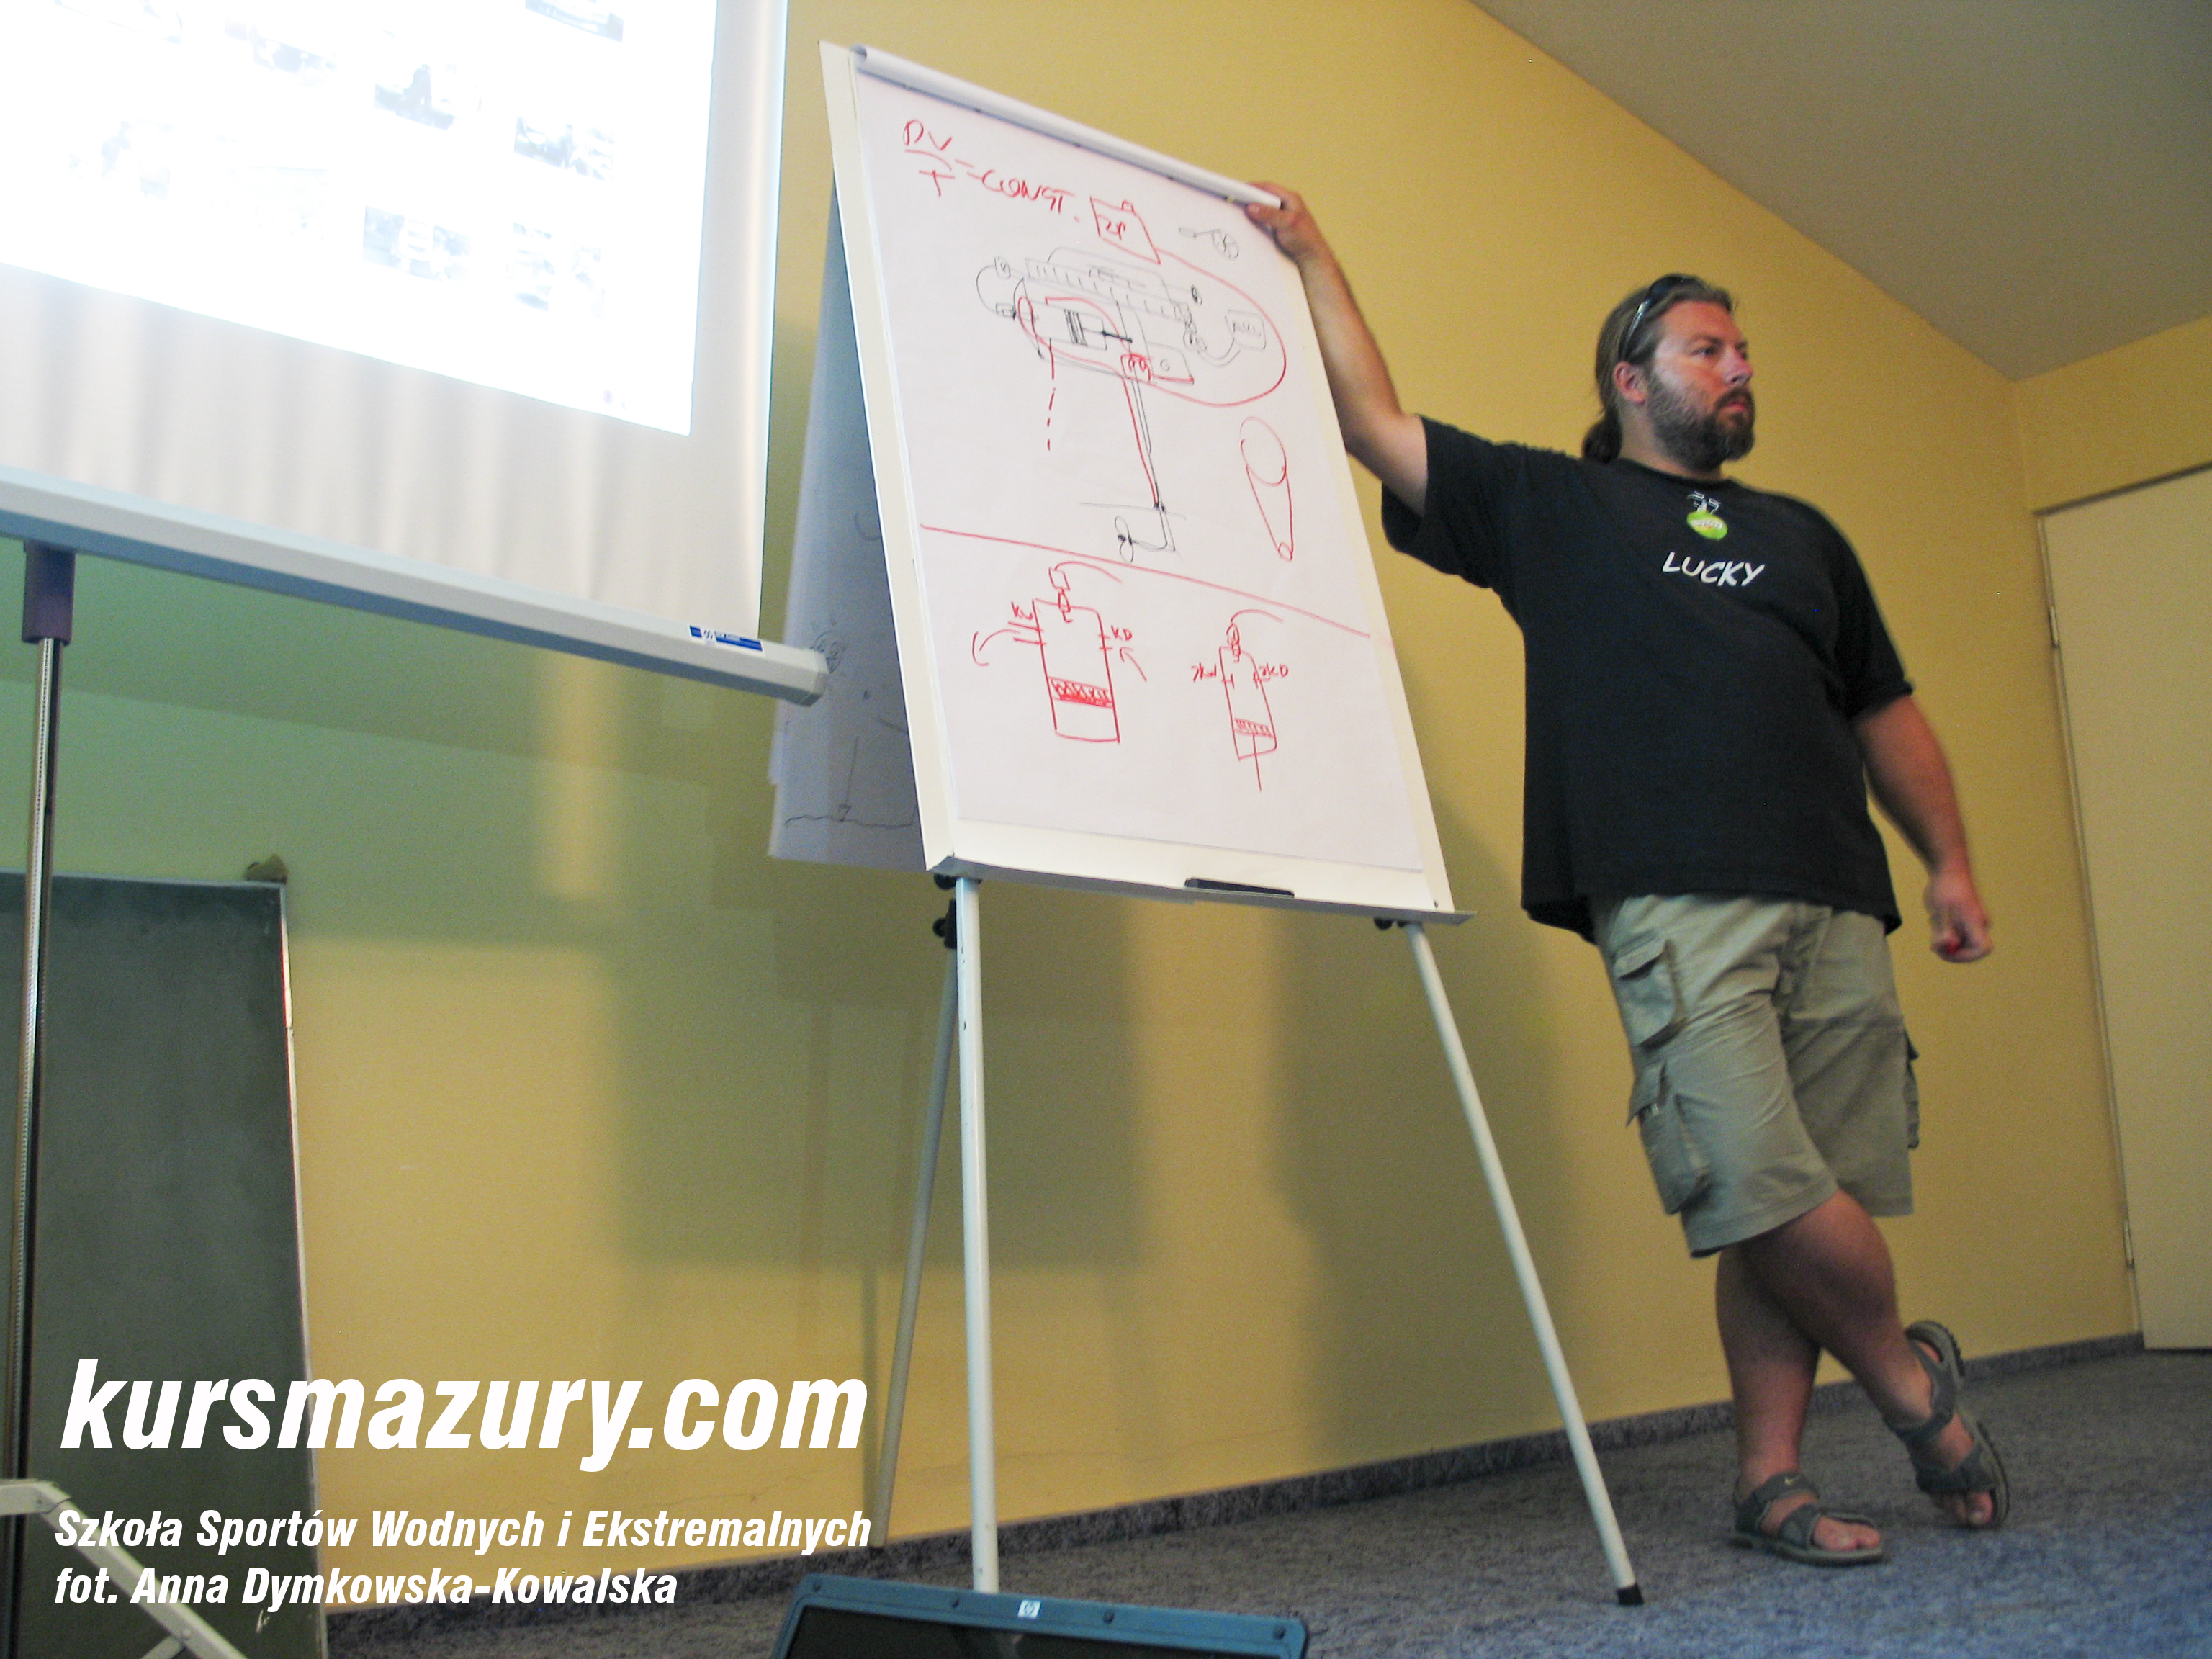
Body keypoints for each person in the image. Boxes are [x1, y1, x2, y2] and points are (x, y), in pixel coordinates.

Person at [1246, 187, 2008, 1566]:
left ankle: (1769, 1480)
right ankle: (1914, 1388)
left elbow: (1884, 710)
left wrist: (1947, 861)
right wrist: (1312, 252)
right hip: (1676, 893)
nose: (1739, 368)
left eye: (1744, 352)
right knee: (1753, 1176)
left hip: (1841, 895)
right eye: (1709, 349)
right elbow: (1374, 425)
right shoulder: (1555, 504)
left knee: (1792, 1199)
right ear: (1631, 378)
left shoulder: (1806, 537)